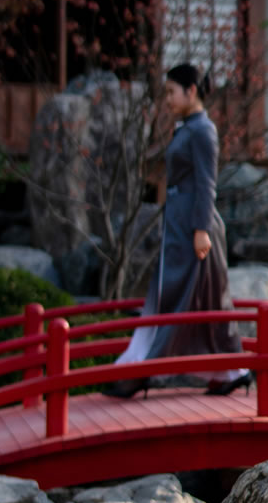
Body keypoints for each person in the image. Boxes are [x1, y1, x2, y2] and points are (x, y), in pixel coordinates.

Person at [104, 63, 250, 399]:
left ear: (191, 91)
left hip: (195, 227)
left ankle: (141, 370)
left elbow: (206, 183)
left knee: (185, 298)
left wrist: (201, 229)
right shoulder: (187, 128)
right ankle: (230, 370)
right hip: (181, 223)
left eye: (171, 91)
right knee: (192, 299)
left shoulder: (202, 130)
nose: (167, 99)